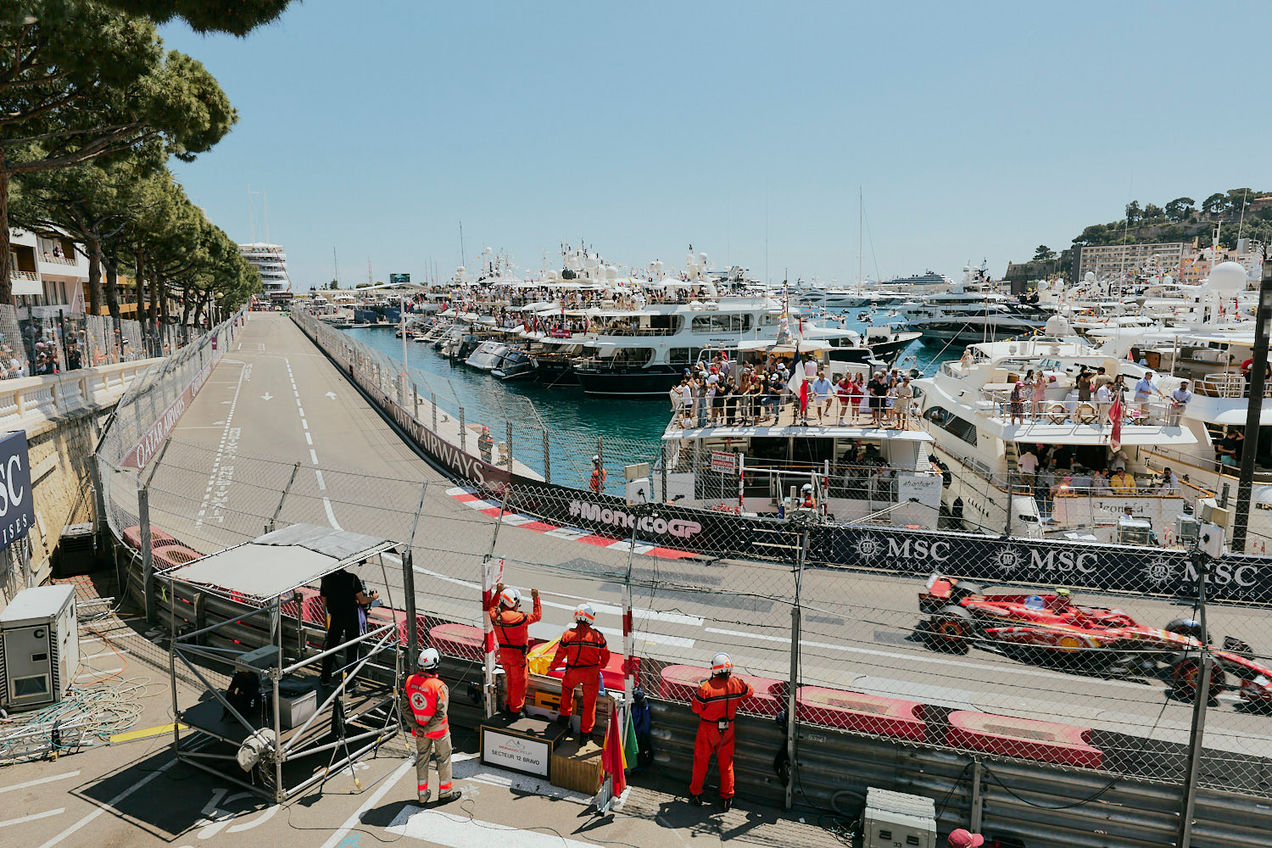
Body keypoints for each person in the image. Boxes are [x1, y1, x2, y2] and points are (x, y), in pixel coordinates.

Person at [688, 652, 754, 811]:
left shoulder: (706, 689)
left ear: (714, 670)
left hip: (707, 729)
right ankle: (727, 797)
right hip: (728, 729)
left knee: (701, 763)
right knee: (727, 765)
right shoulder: (736, 684)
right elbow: (749, 691)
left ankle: (696, 793)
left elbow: (695, 708)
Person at [402, 648, 460, 804]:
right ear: (436, 665)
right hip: (439, 732)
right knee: (444, 760)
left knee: (422, 760)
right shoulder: (439, 686)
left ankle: (422, 795)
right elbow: (441, 713)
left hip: (419, 732)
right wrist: (427, 729)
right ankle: (445, 793)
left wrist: (417, 727)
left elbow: (405, 708)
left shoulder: (410, 681)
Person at [549, 603, 610, 744]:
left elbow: (559, 655)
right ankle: (585, 735)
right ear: (590, 618)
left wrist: (552, 667)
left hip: (573, 672)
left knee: (566, 688)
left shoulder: (568, 635)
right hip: (591, 674)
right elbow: (606, 657)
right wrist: (600, 666)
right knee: (590, 704)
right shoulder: (598, 636)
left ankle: (564, 717)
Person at [485, 583, 542, 716]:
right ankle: (515, 709)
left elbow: (491, 607)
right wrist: (536, 598)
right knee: (519, 684)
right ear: (514, 603)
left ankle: (509, 705)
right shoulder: (518, 617)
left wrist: (497, 592)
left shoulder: (495, 615)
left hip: (504, 655)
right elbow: (537, 616)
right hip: (517, 656)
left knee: (510, 680)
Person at [320, 565, 379, 686]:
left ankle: (325, 678)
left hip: (336, 616)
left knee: (331, 646)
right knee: (352, 648)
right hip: (351, 617)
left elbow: (324, 602)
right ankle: (349, 680)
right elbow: (362, 600)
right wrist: (373, 597)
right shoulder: (352, 578)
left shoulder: (326, 579)